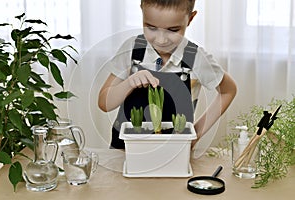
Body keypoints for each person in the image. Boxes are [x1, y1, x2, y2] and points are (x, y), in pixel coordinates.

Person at [98, 0, 237, 149]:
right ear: (142, 12)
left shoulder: (197, 58)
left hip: (174, 153)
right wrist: (129, 83)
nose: (161, 40)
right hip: (125, 152)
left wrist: (195, 134)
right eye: (151, 27)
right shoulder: (132, 49)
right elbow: (104, 104)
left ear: (190, 19)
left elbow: (228, 91)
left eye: (173, 30)